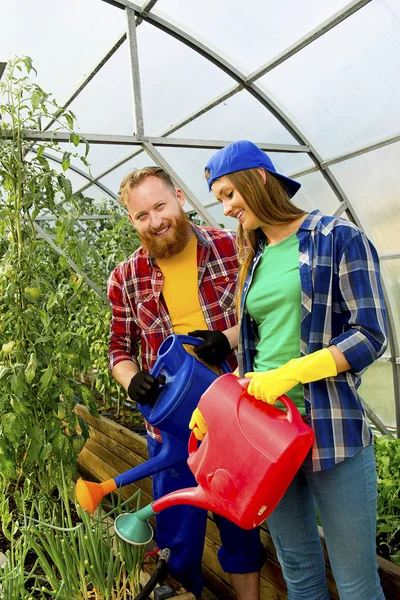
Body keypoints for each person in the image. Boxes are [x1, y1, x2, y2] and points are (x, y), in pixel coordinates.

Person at [190, 140, 388, 600]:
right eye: (219, 200)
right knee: (298, 572)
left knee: (357, 582)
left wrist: (295, 373)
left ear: (259, 177)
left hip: (330, 431)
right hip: (266, 437)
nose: (227, 208)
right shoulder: (254, 256)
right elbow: (261, 349)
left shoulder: (336, 237)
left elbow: (370, 334)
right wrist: (221, 407)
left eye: (229, 194)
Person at [107, 166, 265, 599]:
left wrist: (229, 339)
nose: (155, 221)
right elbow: (118, 349)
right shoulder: (127, 276)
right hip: (173, 426)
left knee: (240, 527)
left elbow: (266, 318)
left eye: (160, 206)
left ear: (178, 196)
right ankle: (181, 589)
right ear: (132, 221)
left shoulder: (232, 247)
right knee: (178, 530)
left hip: (235, 417)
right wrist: (132, 379)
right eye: (141, 216)